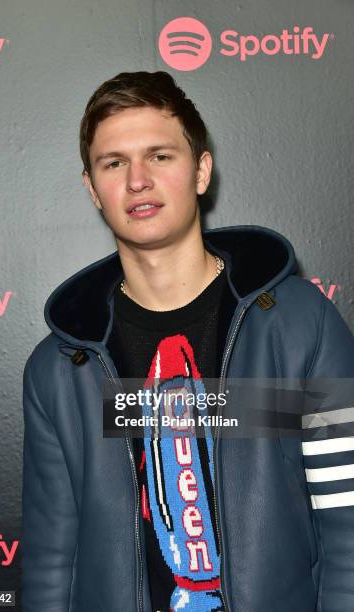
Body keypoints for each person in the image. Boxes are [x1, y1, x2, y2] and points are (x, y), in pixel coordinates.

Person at [21, 71, 354, 612]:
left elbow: (347, 525)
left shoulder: (299, 324)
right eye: (114, 163)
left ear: (201, 170)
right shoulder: (59, 368)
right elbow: (52, 562)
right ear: (92, 188)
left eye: (160, 156)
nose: (137, 181)